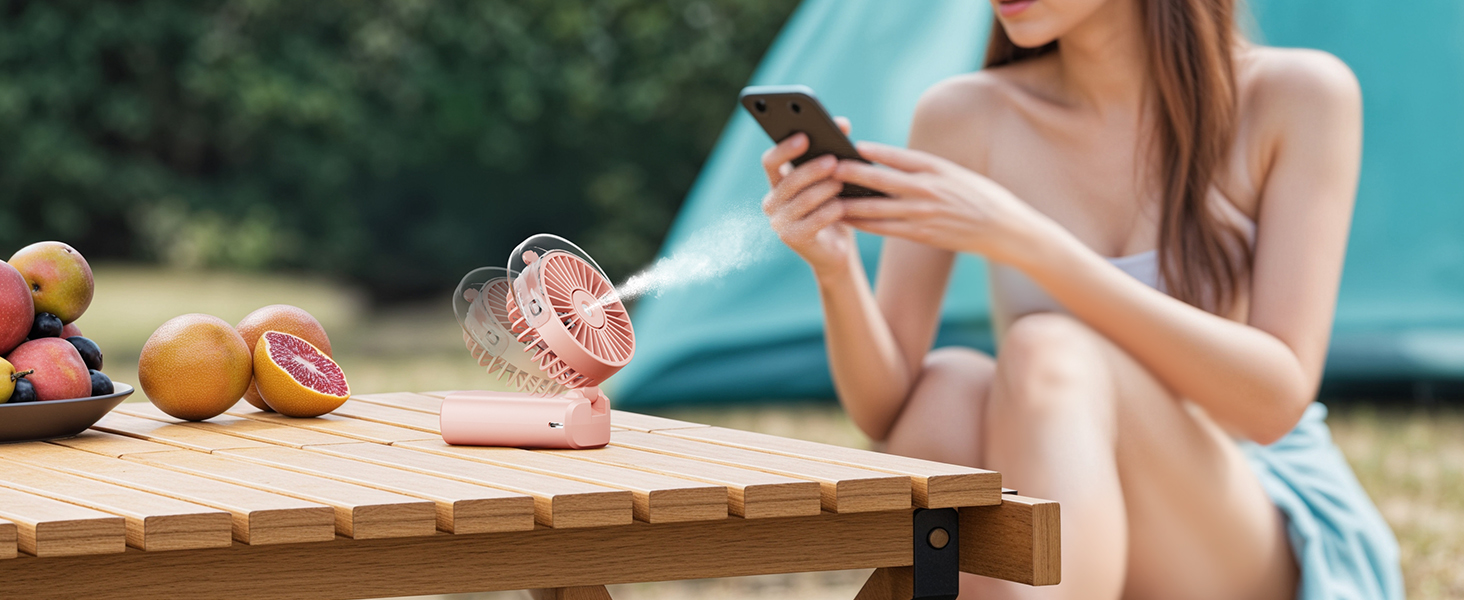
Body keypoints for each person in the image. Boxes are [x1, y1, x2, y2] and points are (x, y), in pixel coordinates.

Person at [758, 0, 1403, 598]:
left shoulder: (1297, 95)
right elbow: (886, 412)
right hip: (1067, 497)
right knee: (947, 388)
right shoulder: (964, 115)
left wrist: (1028, 240)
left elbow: (1274, 404)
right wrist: (836, 274)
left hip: (1245, 512)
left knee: (1047, 349)